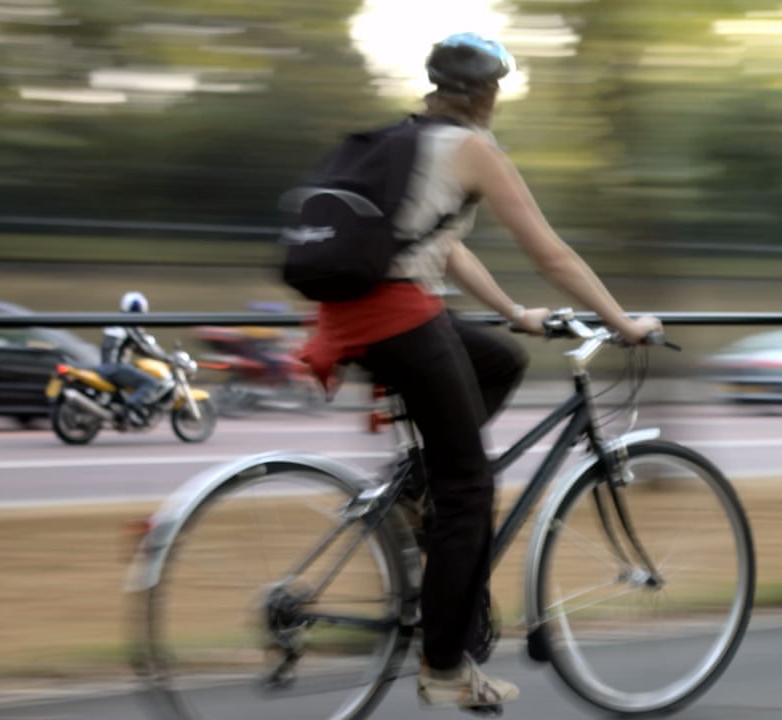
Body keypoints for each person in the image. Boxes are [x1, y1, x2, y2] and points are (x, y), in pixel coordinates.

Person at [298, 32, 663, 711]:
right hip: (399, 320)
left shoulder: (407, 142)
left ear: (435, 85)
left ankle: (415, 489)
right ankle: (444, 667)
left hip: (349, 319)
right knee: (470, 490)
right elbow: (552, 252)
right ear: (490, 94)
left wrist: (514, 312)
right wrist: (622, 321)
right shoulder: (473, 149)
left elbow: (442, 244)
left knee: (503, 357)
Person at [98, 291, 173, 424]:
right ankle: (130, 408)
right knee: (150, 382)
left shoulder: (117, 321)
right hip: (116, 368)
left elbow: (135, 347)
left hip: (105, 367)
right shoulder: (130, 324)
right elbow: (144, 345)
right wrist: (166, 358)